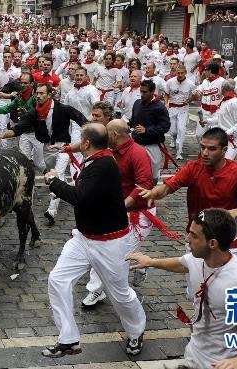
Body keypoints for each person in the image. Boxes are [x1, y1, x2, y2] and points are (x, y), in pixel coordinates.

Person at [42, 123, 146, 358]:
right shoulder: (97, 158)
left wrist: (54, 181)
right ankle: (68, 339)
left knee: (119, 293)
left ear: (87, 143)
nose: (79, 143)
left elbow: (80, 197)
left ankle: (136, 331)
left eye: (81, 140)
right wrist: (65, 150)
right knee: (58, 280)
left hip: (110, 242)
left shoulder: (103, 164)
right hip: (83, 237)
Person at [127, 208, 237, 369]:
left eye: (194, 235)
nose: (187, 238)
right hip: (195, 358)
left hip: (226, 365)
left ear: (212, 243)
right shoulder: (198, 259)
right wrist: (151, 262)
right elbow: (180, 264)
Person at [138, 127, 237, 257]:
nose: (205, 153)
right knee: (194, 277)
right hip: (197, 240)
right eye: (202, 147)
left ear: (224, 150)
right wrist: (152, 193)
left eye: (211, 149)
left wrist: (231, 214)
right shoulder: (193, 168)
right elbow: (167, 188)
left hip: (229, 243)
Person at [81, 118, 156, 307]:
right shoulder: (110, 150)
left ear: (115, 135)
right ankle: (137, 266)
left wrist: (122, 206)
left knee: (113, 256)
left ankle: (98, 291)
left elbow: (144, 185)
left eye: (107, 133)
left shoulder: (138, 153)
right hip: (116, 212)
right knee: (107, 250)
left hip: (137, 215)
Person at [0, 83, 88, 225]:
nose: (37, 96)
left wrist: (90, 134)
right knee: (52, 176)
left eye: (41, 93)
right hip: (47, 148)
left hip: (63, 146)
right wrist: (2, 136)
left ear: (50, 94)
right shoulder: (34, 112)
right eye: (37, 93)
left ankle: (52, 210)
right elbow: (18, 129)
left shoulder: (61, 108)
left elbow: (81, 119)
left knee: (58, 174)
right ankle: (63, 192)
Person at [0, 72, 45, 171]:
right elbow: (6, 109)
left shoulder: (37, 97)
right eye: (21, 83)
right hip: (24, 133)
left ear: (31, 84)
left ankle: (53, 179)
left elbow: (42, 114)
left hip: (38, 134)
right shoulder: (19, 98)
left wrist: (27, 112)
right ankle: (30, 183)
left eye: (26, 83)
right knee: (24, 160)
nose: (23, 85)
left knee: (40, 163)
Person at [128, 79, 171, 181]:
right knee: (134, 173)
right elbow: (133, 120)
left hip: (152, 145)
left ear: (152, 92)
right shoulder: (137, 104)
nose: (142, 94)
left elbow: (165, 126)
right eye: (141, 91)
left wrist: (147, 131)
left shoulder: (160, 107)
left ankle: (151, 193)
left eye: (145, 92)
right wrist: (125, 126)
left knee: (153, 175)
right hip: (136, 144)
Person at [202, 80, 237, 160]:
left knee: (225, 161)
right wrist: (208, 121)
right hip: (224, 137)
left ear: (223, 88)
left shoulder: (235, 102)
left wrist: (227, 133)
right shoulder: (225, 101)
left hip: (232, 138)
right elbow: (222, 118)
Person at [165, 66, 194, 160]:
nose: (180, 75)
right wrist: (166, 104)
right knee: (173, 131)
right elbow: (166, 94)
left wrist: (188, 100)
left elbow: (194, 96)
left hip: (183, 108)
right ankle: (173, 139)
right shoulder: (170, 82)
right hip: (172, 108)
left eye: (182, 73)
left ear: (185, 72)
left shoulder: (190, 84)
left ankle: (179, 151)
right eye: (178, 73)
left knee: (181, 129)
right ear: (176, 72)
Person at [193, 62, 226, 141]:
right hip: (204, 112)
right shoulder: (205, 81)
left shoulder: (222, 81)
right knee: (199, 135)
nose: (204, 72)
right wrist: (197, 93)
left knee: (216, 136)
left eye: (206, 70)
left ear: (210, 71)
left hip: (216, 112)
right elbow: (199, 92)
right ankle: (203, 152)